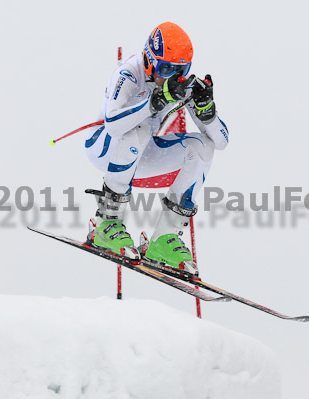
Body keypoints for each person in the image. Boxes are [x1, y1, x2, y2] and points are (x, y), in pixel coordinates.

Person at [84, 22, 229, 275]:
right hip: (104, 147)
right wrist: (154, 102)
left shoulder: (179, 84)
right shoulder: (129, 72)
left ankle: (164, 239)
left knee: (202, 146)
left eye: (180, 70)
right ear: (150, 60)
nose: (171, 76)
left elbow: (221, 141)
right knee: (137, 130)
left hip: (140, 152)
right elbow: (114, 124)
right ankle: (107, 222)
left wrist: (208, 113)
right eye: (165, 68)